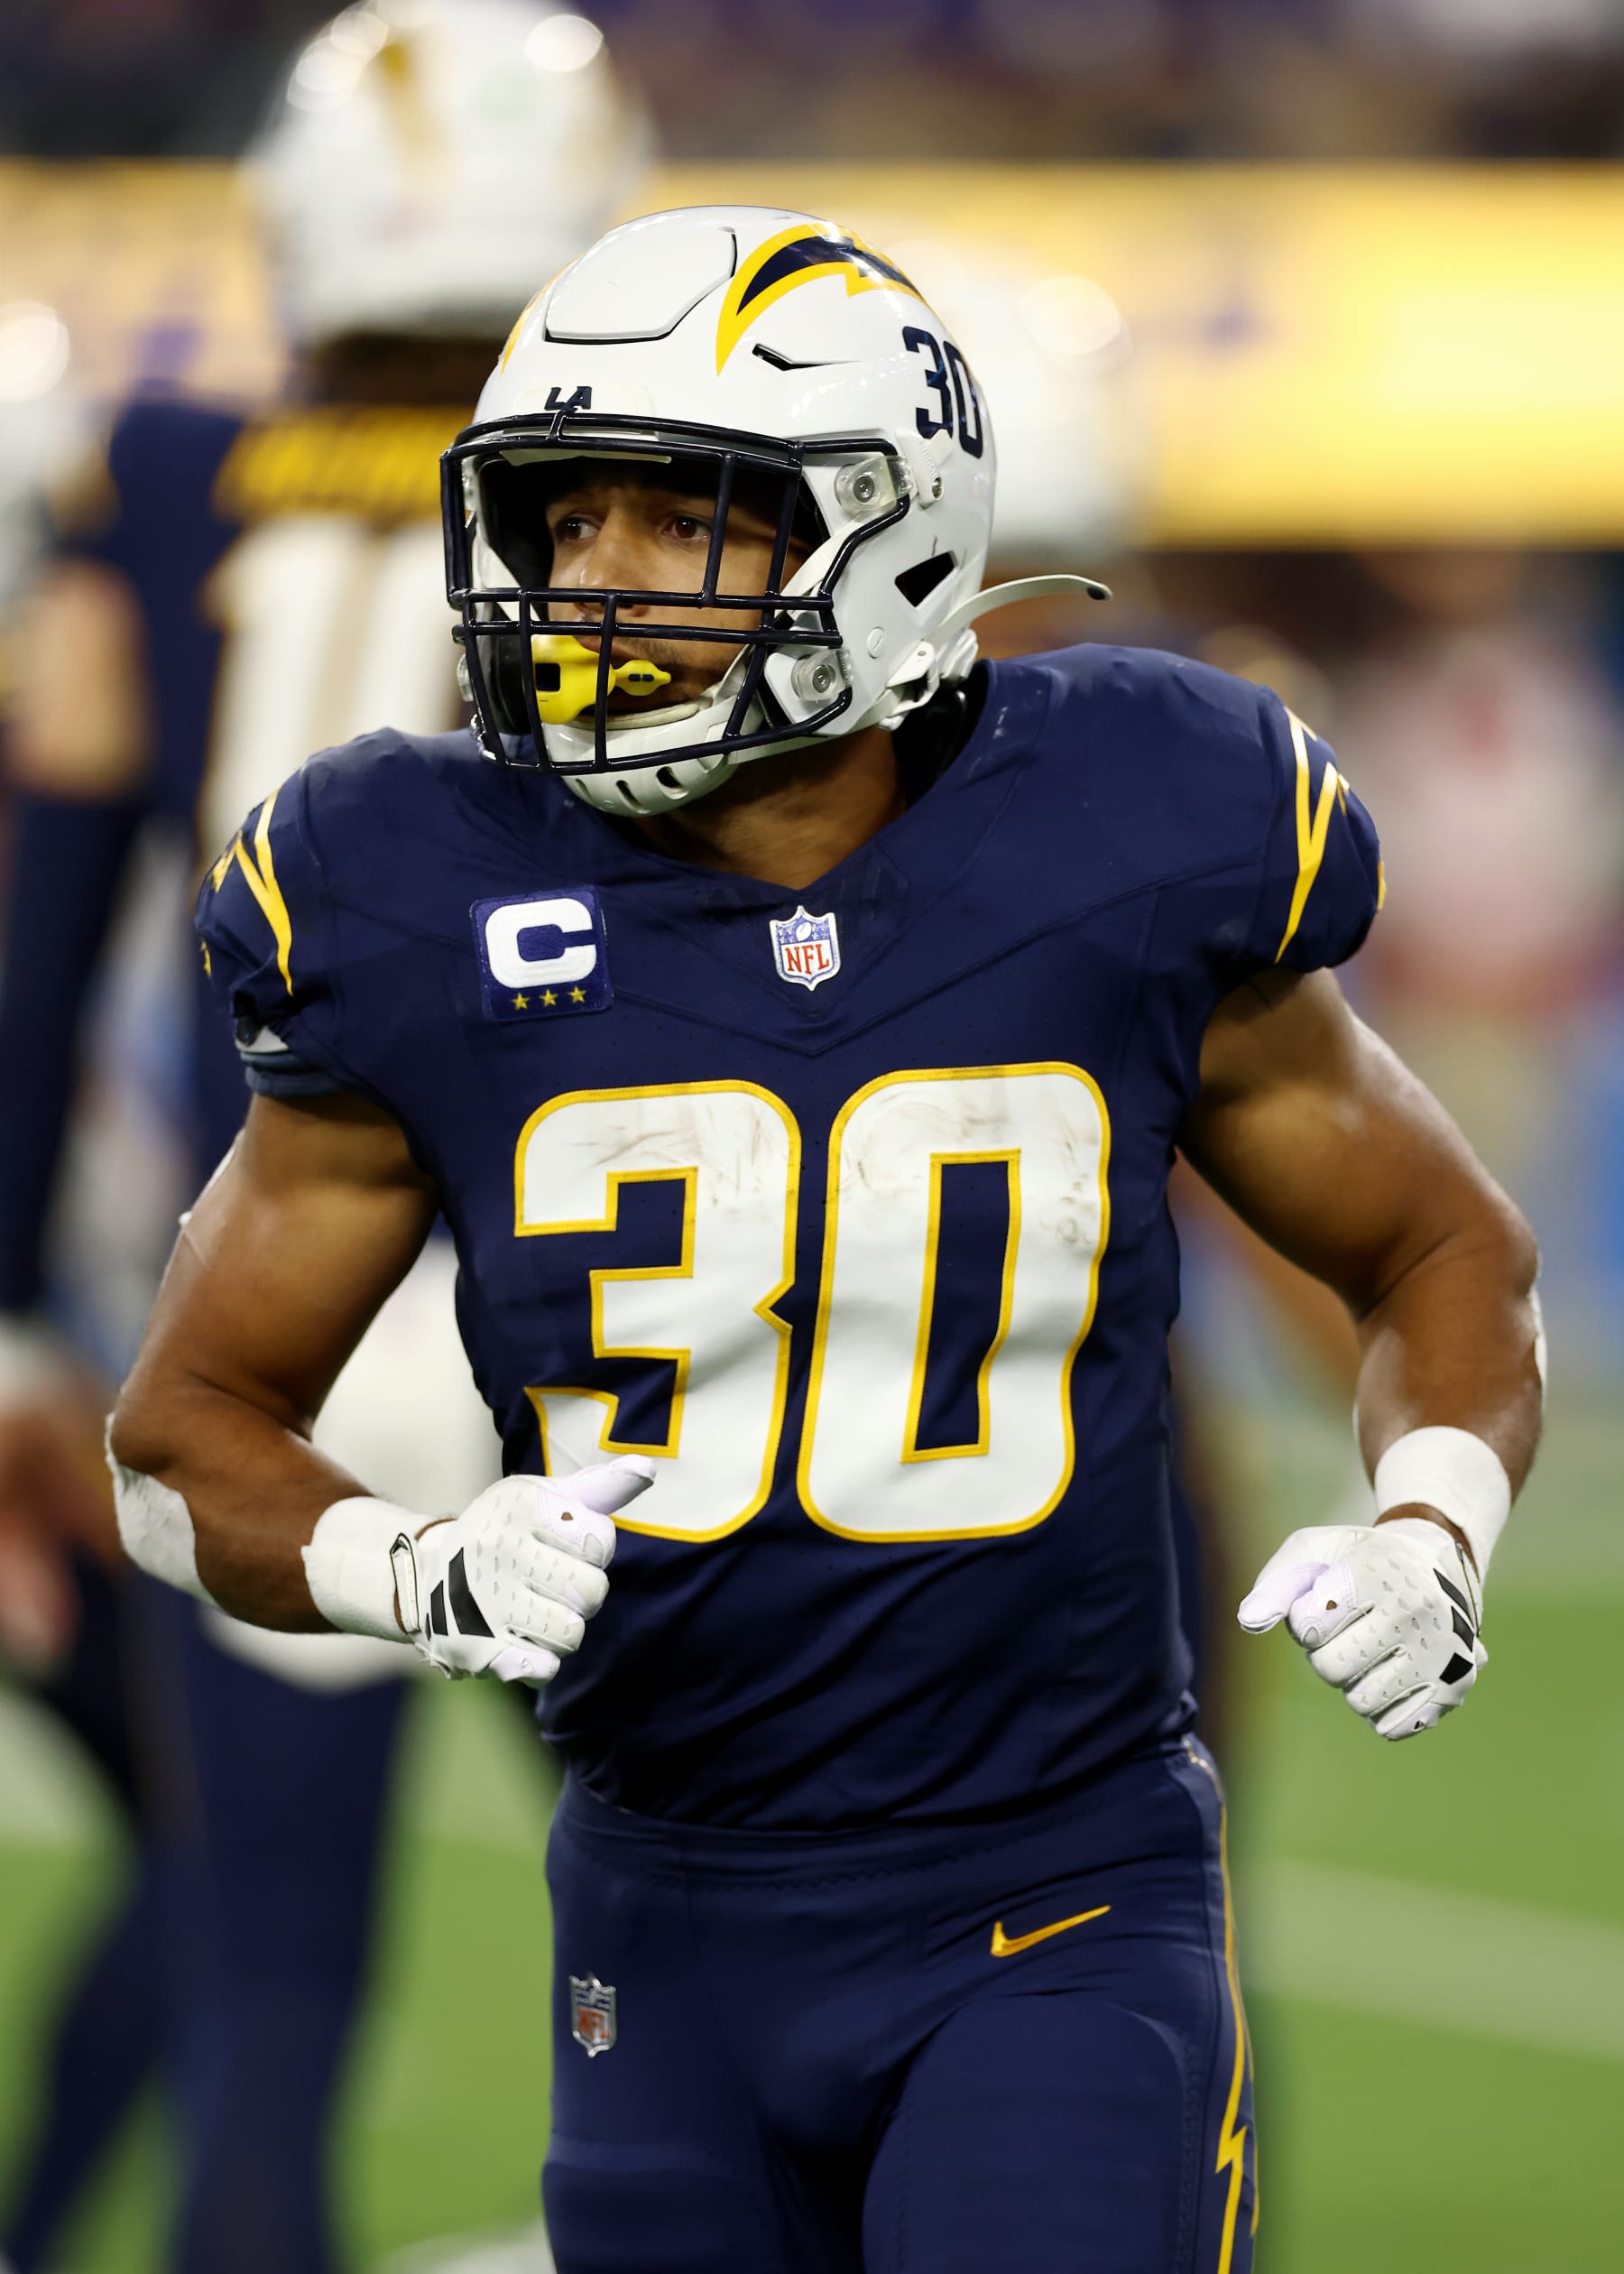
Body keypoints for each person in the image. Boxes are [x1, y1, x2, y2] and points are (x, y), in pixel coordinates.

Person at [109, 205, 1543, 2274]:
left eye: (665, 520)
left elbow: (1442, 1253)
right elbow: (185, 1430)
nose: (583, 581)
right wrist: (392, 1558)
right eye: (557, 519)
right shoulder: (409, 884)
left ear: (886, 536)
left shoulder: (1137, 814)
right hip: (658, 1925)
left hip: (1058, 1889)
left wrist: (1430, 1522)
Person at [0, 7, 643, 2268]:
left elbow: (43, 931)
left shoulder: (165, 478)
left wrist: (5, 1311)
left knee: (264, 2006)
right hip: (607, 1323)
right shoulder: (660, 507)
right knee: (765, 1949)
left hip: (279, 1322)